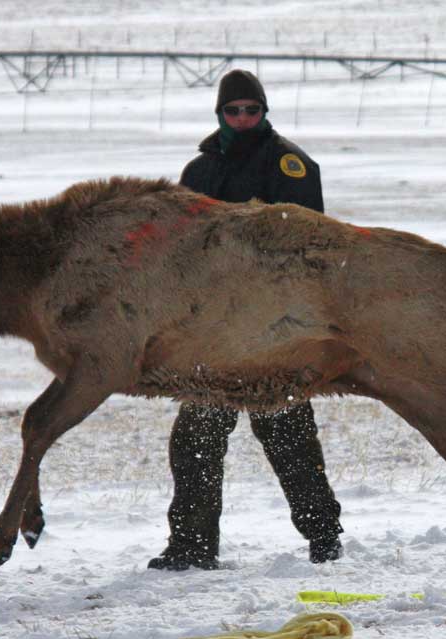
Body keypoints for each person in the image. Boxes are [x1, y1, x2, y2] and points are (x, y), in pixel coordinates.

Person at [148, 69, 343, 571]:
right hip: (213, 334)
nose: (242, 118)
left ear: (263, 111)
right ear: (220, 113)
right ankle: (192, 546)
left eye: (251, 110)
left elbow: (307, 245)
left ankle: (324, 537)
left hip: (271, 331)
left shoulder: (291, 166)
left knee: (288, 435)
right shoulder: (199, 171)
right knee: (195, 439)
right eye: (233, 111)